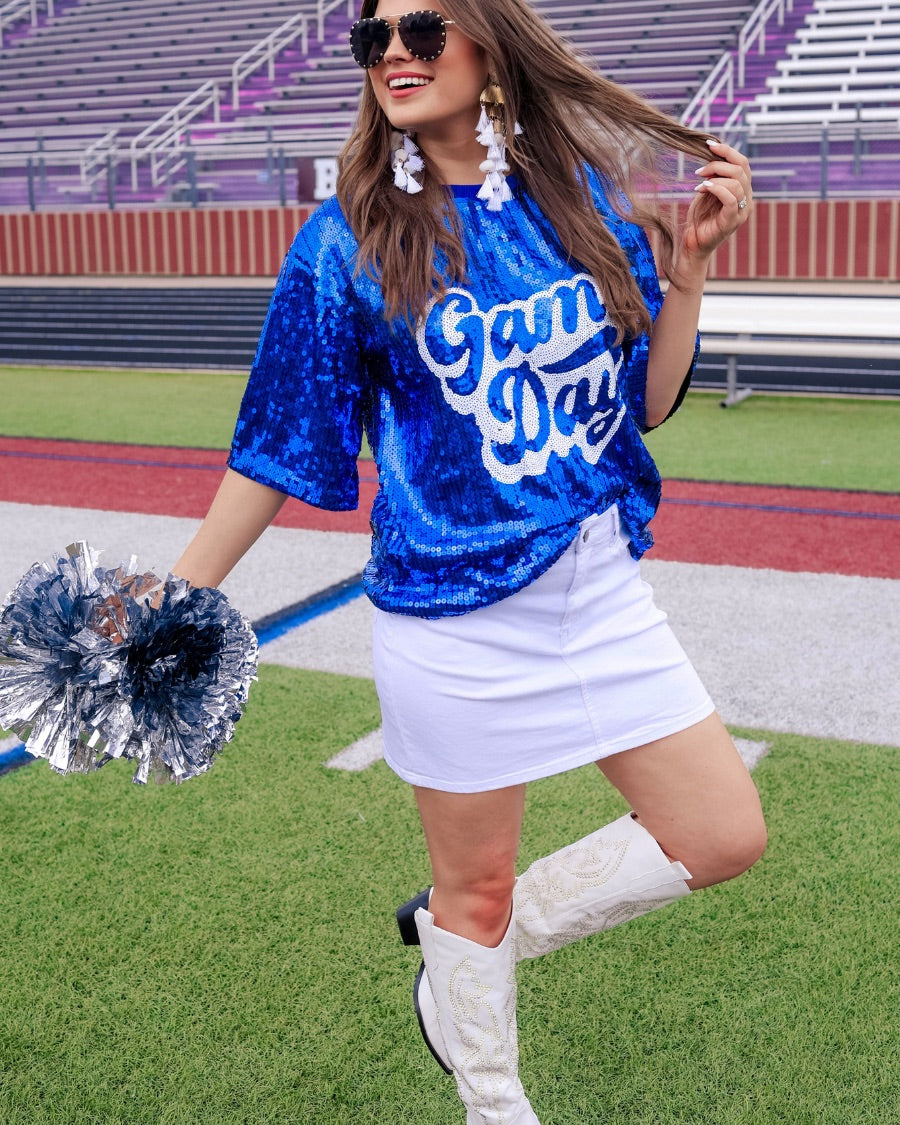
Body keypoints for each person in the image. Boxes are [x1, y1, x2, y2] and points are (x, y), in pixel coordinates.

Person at [174, 2, 766, 1121]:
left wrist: (686, 273)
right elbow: (272, 448)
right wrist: (176, 597)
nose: (394, 51)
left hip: (599, 592)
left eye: (424, 28)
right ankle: (492, 1091)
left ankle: (456, 951)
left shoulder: (575, 195)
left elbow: (643, 407)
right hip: (453, 626)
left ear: (489, 46)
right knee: (477, 886)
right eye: (374, 38)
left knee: (723, 833)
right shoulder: (345, 237)